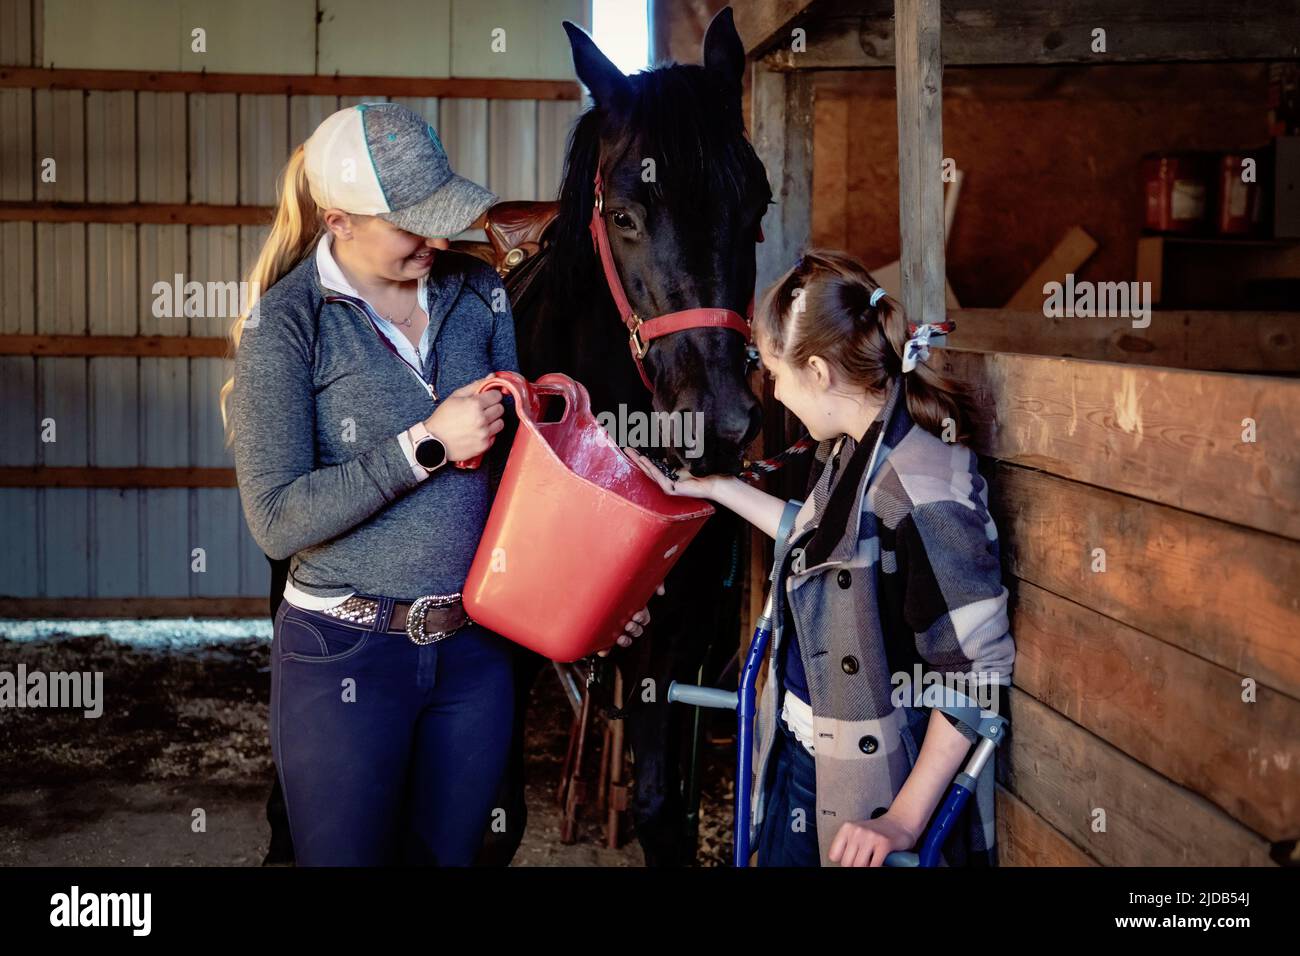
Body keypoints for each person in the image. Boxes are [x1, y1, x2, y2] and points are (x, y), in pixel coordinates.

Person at [221, 103, 649, 865]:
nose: (438, 239)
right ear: (339, 220)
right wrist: (425, 445)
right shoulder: (285, 326)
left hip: (473, 654)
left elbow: (519, 486)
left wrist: (591, 598)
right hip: (345, 651)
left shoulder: (478, 293)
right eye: (411, 224)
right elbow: (278, 521)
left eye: (440, 217)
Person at [626, 250, 1015, 867]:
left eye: (774, 374)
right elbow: (817, 547)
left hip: (870, 789)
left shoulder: (924, 493)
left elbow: (976, 671)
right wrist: (716, 489)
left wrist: (902, 822)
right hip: (801, 750)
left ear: (817, 371)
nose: (773, 393)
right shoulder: (851, 454)